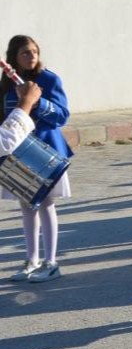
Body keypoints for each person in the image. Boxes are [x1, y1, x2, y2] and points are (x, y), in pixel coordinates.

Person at [1, 37, 72, 282]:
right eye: (24, 53)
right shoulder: (6, 84)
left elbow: (63, 116)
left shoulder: (49, 79)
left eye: (34, 52)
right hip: (19, 152)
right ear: (13, 57)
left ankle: (51, 262)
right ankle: (31, 260)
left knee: (45, 204)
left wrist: (36, 101)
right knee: (26, 205)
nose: (31, 56)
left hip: (46, 152)